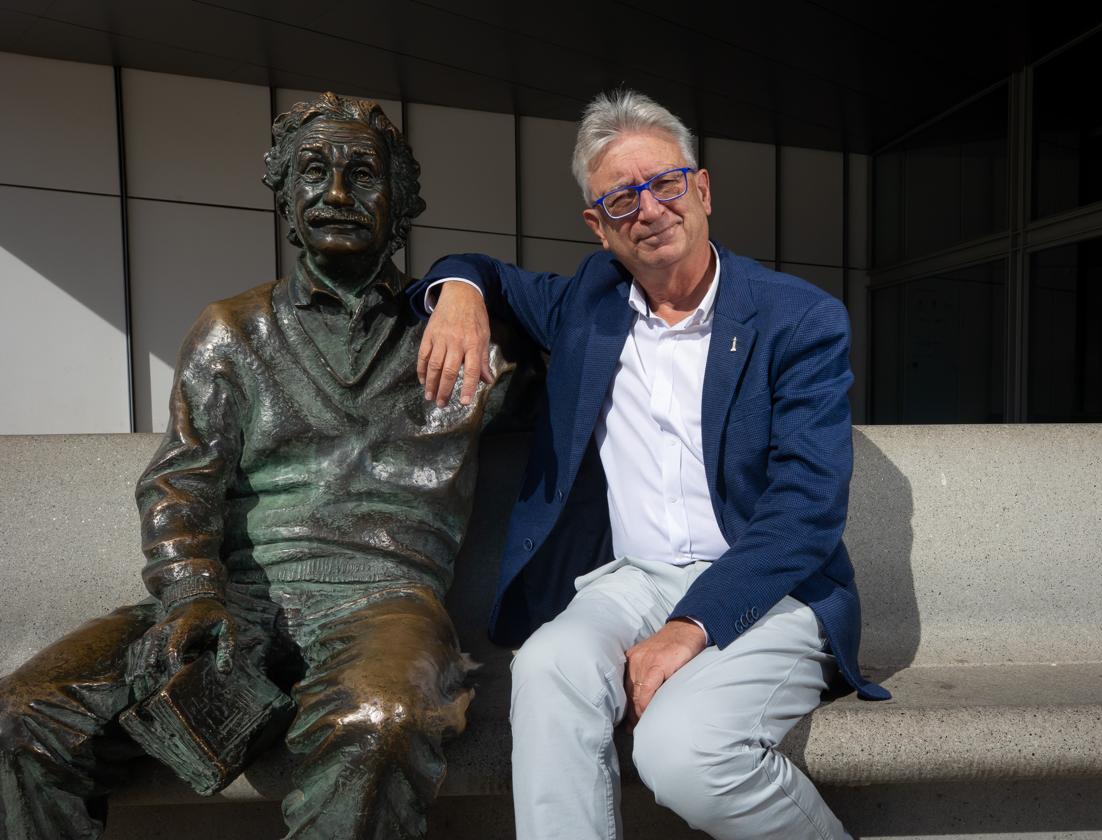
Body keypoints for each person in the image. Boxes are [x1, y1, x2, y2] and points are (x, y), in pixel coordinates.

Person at [0, 92, 512, 840]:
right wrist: (192, 593)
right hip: (235, 598)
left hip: (383, 603)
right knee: (24, 713)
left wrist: (470, 287)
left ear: (403, 201)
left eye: (363, 176)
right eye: (312, 172)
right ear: (284, 192)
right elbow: (180, 484)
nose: (335, 195)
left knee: (379, 720)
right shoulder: (232, 330)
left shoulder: (460, 343)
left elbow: (589, 335)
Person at [415, 89, 890, 840]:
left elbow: (806, 511)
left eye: (665, 183)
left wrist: (691, 625)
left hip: (771, 586)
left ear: (701, 190)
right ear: (598, 227)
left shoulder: (796, 317)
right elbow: (479, 268)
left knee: (684, 754)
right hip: (631, 579)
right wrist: (460, 295)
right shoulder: (588, 305)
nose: (649, 208)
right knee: (547, 668)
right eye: (621, 197)